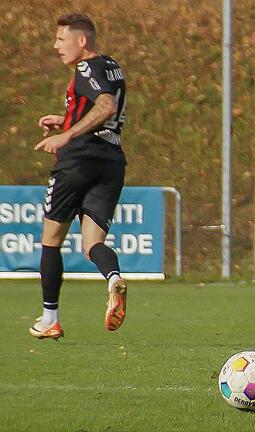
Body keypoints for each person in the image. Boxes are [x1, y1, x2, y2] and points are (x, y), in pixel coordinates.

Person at [30, 13, 128, 340]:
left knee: (51, 239)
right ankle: (113, 278)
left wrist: (67, 136)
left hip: (78, 161)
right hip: (111, 161)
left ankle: (49, 319)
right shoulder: (112, 66)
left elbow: (105, 107)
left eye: (61, 40)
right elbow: (102, 112)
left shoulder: (85, 68)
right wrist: (67, 119)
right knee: (92, 244)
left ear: (82, 41)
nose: (56, 46)